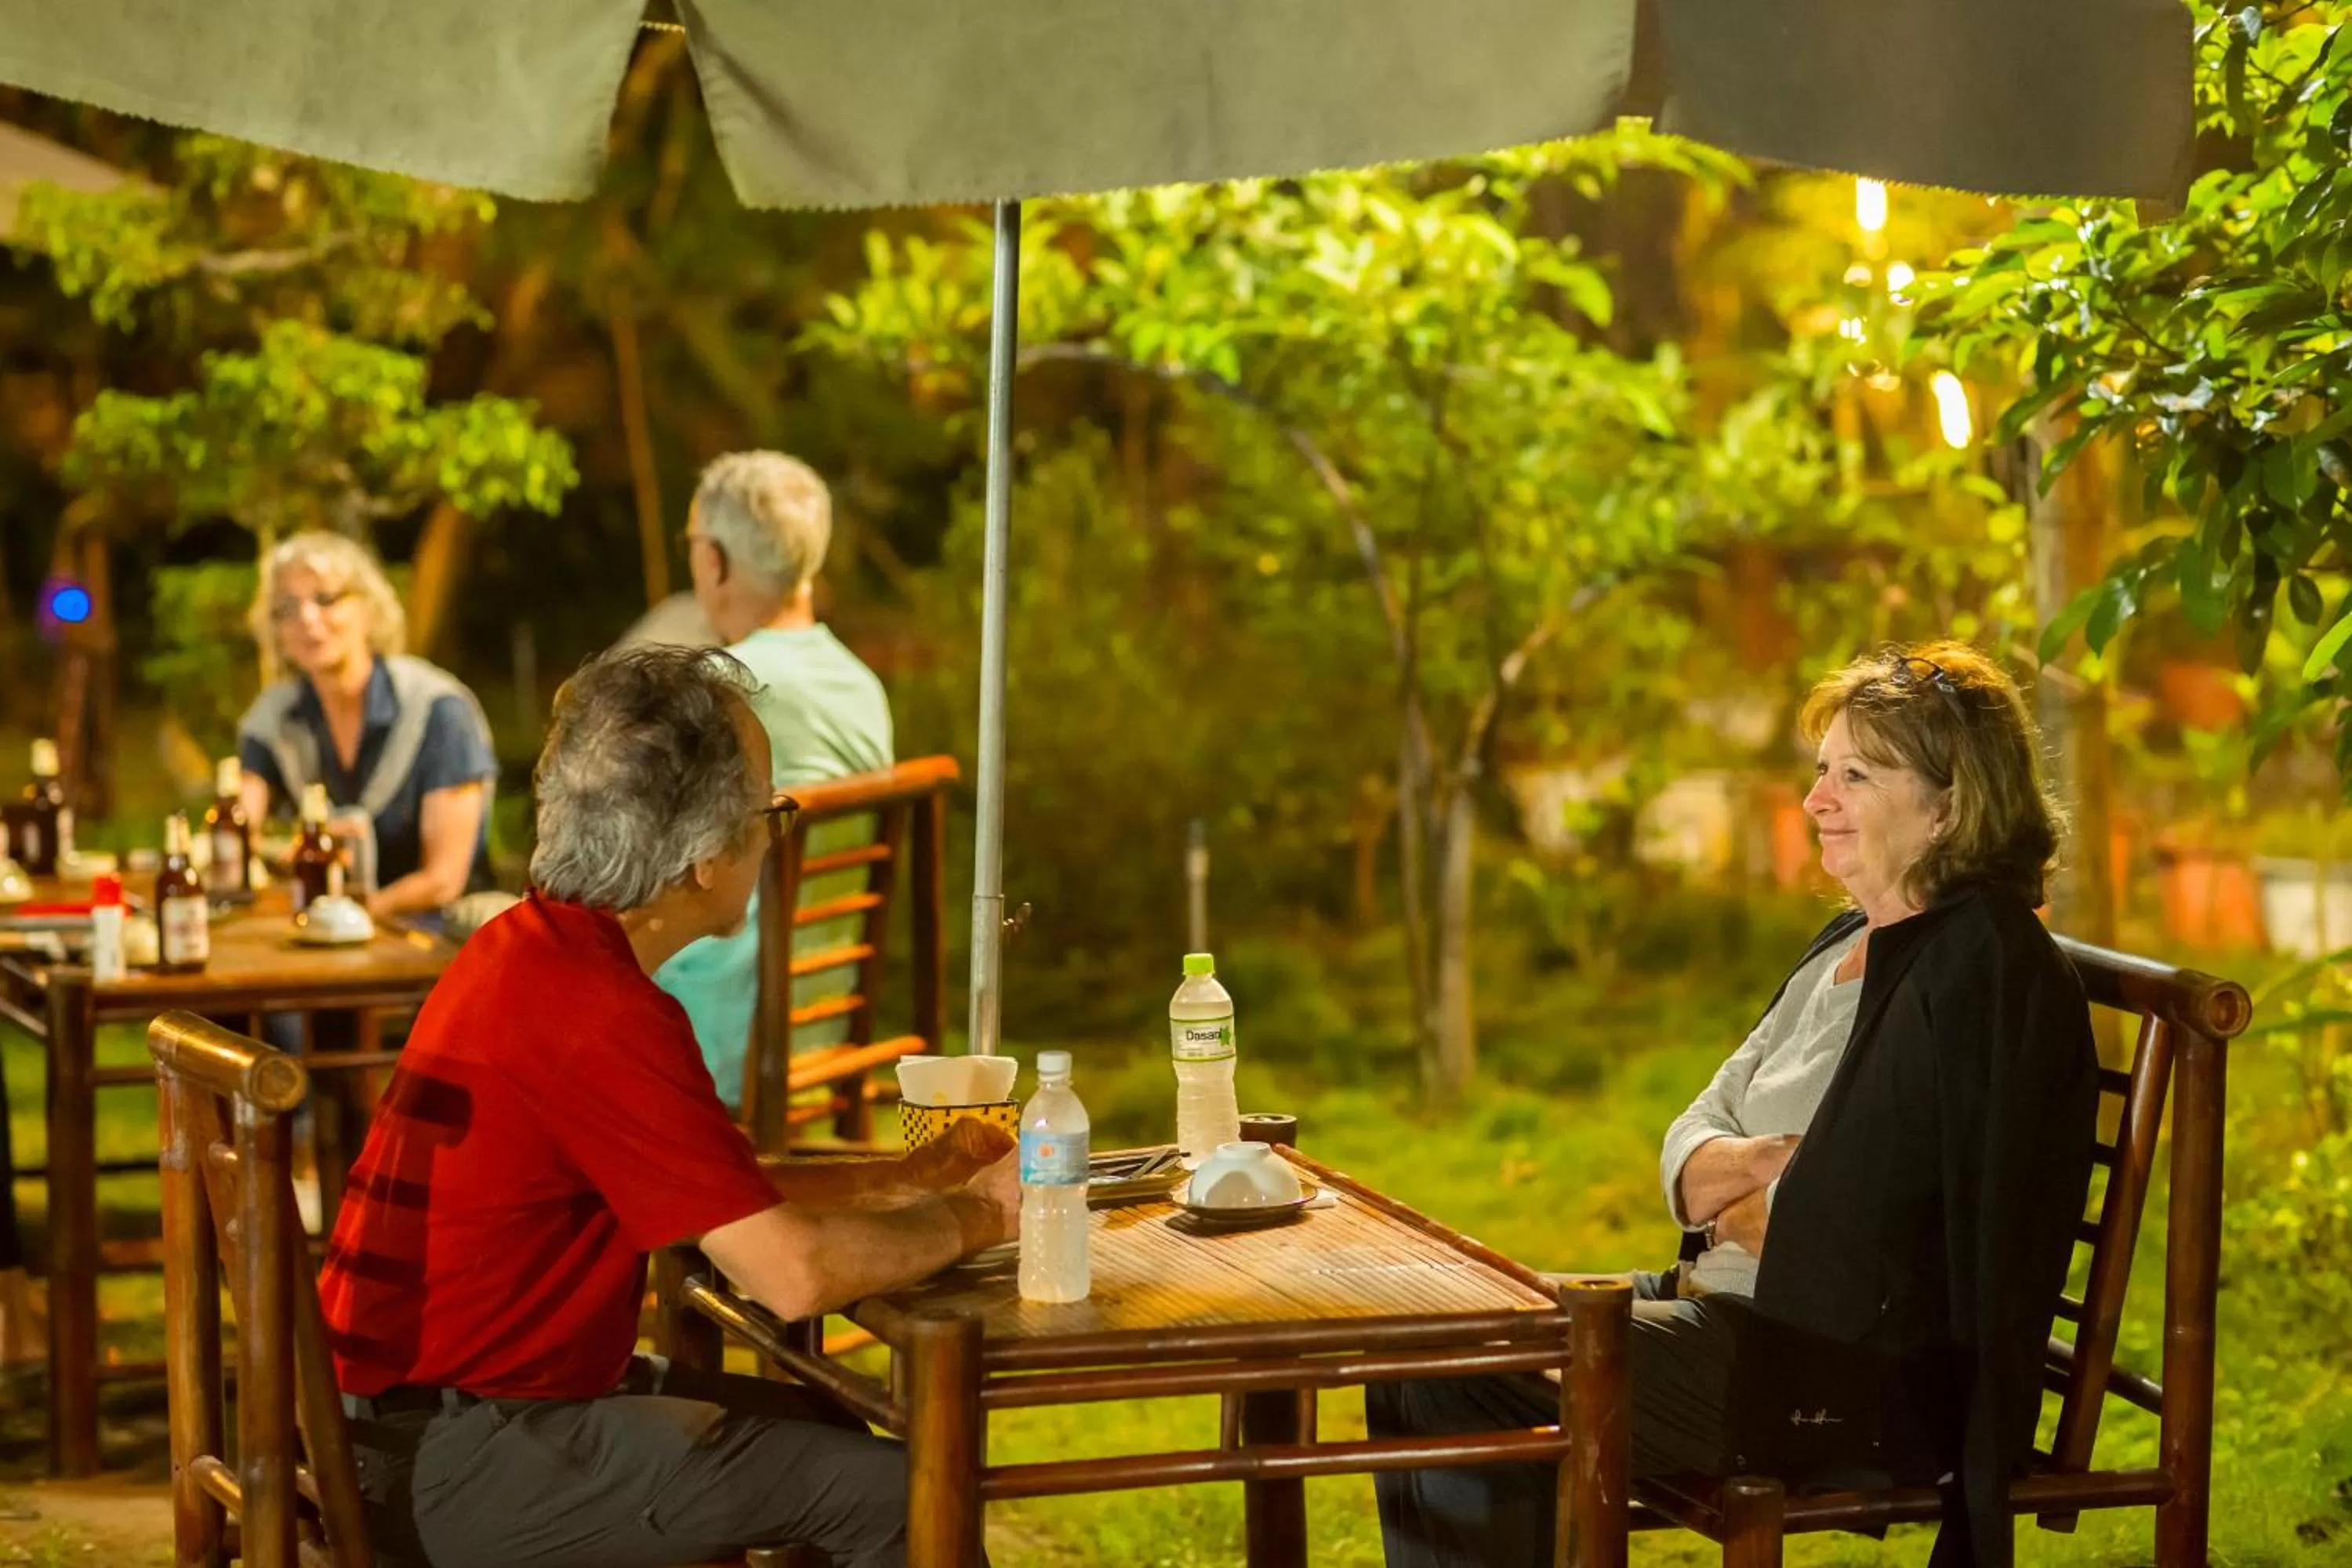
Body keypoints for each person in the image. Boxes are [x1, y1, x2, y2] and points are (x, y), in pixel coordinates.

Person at [1367, 641, 2100, 1568]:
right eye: (1821, 769)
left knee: (1463, 1369)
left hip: (1835, 1375)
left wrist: (1765, 1194)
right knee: (1430, 1338)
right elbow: (1697, 1125)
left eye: (1857, 774)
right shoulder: (1851, 939)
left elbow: (1884, 1222)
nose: (1815, 800)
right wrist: (1753, 1168)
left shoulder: (1982, 966)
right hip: (1737, 1315)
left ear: (1950, 803)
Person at [321, 644, 1017, 1568]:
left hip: (406, 1423)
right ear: (700, 857)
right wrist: (985, 1213)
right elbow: (790, 1274)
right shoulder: (601, 1014)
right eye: (771, 813)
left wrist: (900, 1177)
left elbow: (718, 1193)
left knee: (825, 1421)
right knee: (905, 1491)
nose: (775, 837)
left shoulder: (527, 949)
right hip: (457, 1458)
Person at [655, 452, 894, 1108]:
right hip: (824, 1011)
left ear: (716, 561)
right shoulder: (862, 686)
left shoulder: (720, 685)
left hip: (722, 1024)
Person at [238, 532, 498, 924]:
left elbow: (443, 880)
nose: (307, 619)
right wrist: (276, 853)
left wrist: (351, 914)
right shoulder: (275, 717)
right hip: (330, 933)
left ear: (369, 610)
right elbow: (238, 831)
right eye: (286, 608)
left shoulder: (437, 710)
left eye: (326, 599)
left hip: (437, 935)